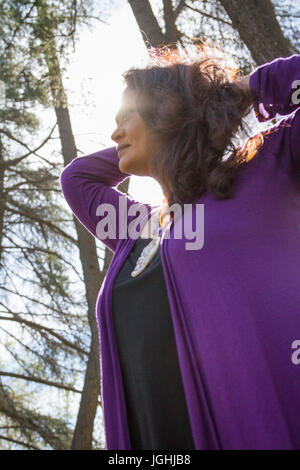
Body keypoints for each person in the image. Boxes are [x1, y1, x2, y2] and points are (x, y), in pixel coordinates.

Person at [60, 49, 300, 450]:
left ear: (166, 110)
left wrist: (232, 97)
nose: (114, 134)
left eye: (125, 118)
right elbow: (77, 179)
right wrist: (185, 130)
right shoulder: (136, 229)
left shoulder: (263, 172)